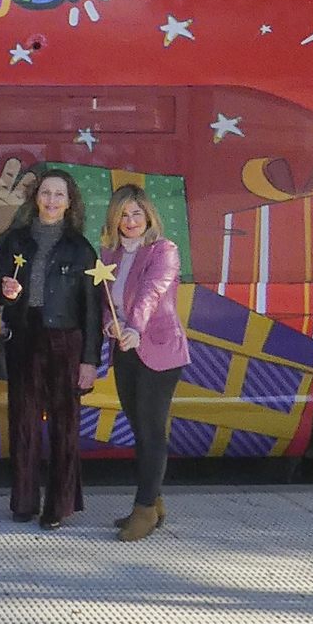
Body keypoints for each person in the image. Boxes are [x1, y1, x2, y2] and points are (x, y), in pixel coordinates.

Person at [0, 169, 102, 530]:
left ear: (70, 203)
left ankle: (59, 505)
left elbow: (92, 310)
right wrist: (3, 292)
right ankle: (23, 501)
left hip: (66, 340)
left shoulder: (80, 248)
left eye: (60, 195)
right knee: (23, 421)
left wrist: (89, 360)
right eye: (46, 193)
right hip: (25, 335)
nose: (52, 200)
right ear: (35, 197)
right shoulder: (15, 241)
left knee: (64, 425)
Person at [99, 185, 190, 542]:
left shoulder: (164, 251)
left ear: (148, 215)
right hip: (125, 349)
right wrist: (110, 321)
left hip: (159, 350)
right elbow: (108, 298)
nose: (130, 221)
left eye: (137, 213)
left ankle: (143, 510)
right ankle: (154, 502)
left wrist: (134, 327)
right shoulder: (110, 254)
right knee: (139, 430)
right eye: (123, 214)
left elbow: (153, 292)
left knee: (152, 432)